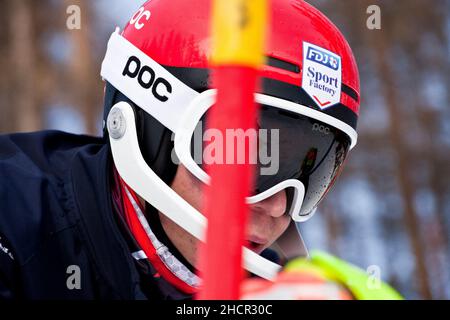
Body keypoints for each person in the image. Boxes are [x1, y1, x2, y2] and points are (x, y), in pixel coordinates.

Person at [0, 0, 400, 299]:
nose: (279, 206)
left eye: (307, 173)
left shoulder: (271, 290)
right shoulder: (14, 214)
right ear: (150, 128)